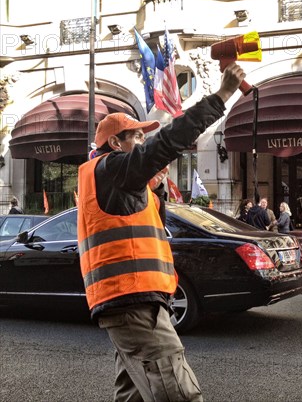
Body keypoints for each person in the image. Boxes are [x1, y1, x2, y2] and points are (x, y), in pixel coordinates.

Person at [76, 62, 245, 401]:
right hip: (133, 300)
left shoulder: (112, 177)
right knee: (179, 395)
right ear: (114, 142)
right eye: (137, 136)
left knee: (134, 394)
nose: (144, 142)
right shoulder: (112, 168)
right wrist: (221, 95)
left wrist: (155, 186)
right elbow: (167, 142)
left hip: (130, 300)